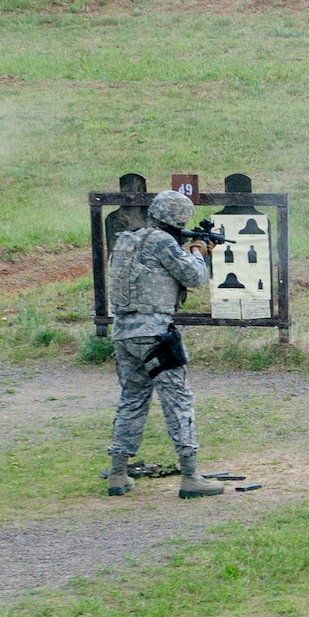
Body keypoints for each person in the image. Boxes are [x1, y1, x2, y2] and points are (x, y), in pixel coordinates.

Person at [103, 189, 226, 499]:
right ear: (179, 218)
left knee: (132, 399)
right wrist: (199, 251)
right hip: (156, 333)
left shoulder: (127, 240)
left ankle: (117, 473)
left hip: (123, 331)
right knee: (177, 400)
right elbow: (193, 276)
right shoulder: (163, 242)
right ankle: (190, 476)